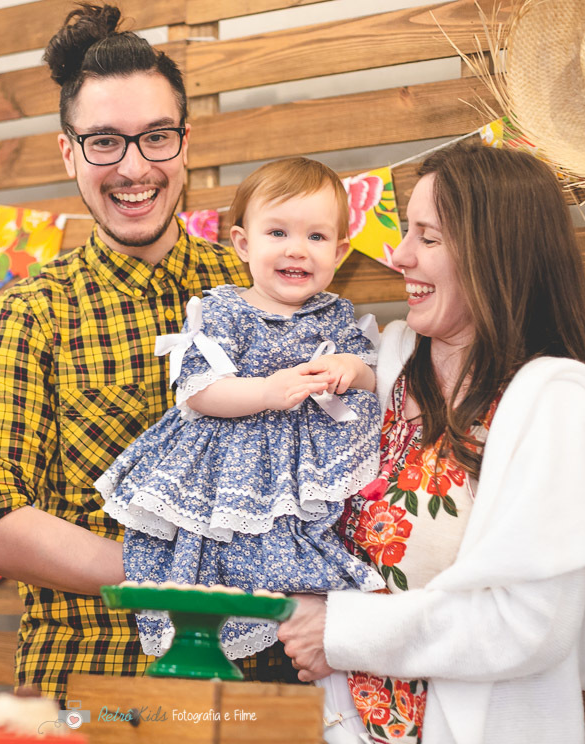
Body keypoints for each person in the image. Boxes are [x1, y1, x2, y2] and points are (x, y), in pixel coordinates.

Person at [276, 142, 585, 743]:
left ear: (496, 253)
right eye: (404, 232)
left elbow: (529, 622)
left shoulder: (556, 404)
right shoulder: (387, 368)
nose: (399, 256)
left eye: (428, 237)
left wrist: (339, 630)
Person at [0, 3, 265, 698]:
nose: (134, 168)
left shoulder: (251, 292)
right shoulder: (36, 312)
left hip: (255, 686)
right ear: (69, 151)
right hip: (90, 685)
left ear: (185, 141)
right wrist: (164, 573)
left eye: (155, 137)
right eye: (105, 143)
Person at [96, 157, 385, 666]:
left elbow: (372, 374)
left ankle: (310, 613)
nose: (297, 249)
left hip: (306, 462)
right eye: (278, 232)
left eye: (317, 237)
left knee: (313, 530)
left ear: (340, 251)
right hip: (233, 459)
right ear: (244, 244)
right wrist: (268, 391)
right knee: (228, 540)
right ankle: (234, 627)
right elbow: (200, 392)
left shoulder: (334, 314)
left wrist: (350, 369)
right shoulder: (226, 310)